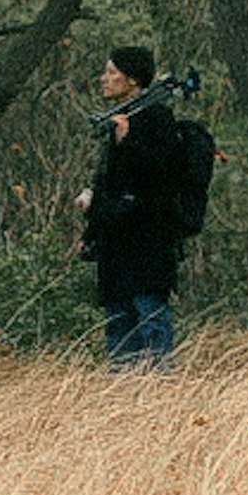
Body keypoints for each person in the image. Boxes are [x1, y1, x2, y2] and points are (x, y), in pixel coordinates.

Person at [78, 46, 194, 366]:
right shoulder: (119, 120)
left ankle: (159, 392)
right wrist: (91, 230)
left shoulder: (157, 118)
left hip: (148, 241)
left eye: (112, 73)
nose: (104, 79)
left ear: (132, 80)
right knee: (118, 318)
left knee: (149, 315)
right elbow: (110, 182)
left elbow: (160, 174)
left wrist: (128, 141)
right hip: (116, 240)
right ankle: (125, 398)